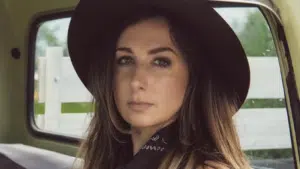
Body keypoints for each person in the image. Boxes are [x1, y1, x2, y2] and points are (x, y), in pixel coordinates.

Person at [67, 0, 252, 168]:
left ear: (194, 78)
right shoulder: (109, 159)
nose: (136, 81)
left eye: (161, 62)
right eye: (125, 60)